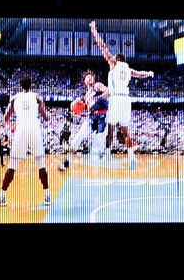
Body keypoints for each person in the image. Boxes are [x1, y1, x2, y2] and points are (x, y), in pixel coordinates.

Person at [90, 20, 153, 169]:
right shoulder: (129, 69)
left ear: (117, 59)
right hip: (126, 100)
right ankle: (132, 156)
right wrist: (150, 73)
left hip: (116, 98)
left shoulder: (114, 63)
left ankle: (106, 153)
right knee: (125, 131)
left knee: (110, 129)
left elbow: (102, 46)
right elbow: (141, 74)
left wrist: (94, 30)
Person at [0, 76, 53, 209]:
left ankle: (2, 197)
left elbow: (6, 117)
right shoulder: (37, 97)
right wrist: (47, 115)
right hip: (34, 129)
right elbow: (45, 118)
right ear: (31, 85)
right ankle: (47, 197)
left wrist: (12, 123)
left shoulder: (14, 98)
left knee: (12, 165)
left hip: (21, 129)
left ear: (20, 86)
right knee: (41, 164)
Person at [61, 70, 110, 171]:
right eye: (87, 77)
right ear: (84, 81)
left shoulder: (97, 85)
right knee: (77, 139)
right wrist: (75, 107)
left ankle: (103, 162)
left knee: (99, 142)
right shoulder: (86, 95)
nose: (90, 78)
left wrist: (100, 98)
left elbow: (109, 91)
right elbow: (82, 109)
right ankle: (67, 162)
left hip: (102, 116)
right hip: (91, 118)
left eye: (91, 76)